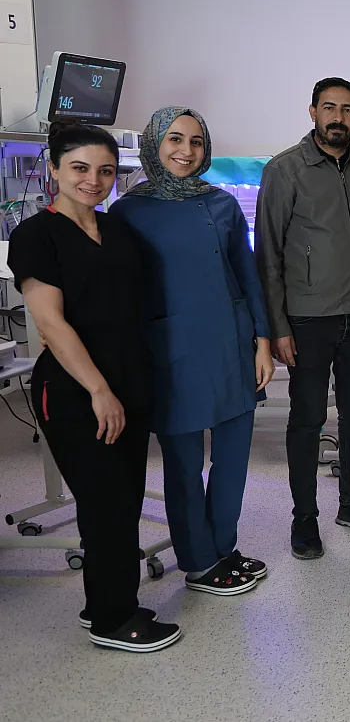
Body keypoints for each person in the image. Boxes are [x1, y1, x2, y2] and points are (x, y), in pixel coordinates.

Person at [11, 120, 181, 652]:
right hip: (75, 389)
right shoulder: (36, 236)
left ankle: (100, 603)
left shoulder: (118, 230)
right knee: (106, 502)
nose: (93, 180)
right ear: (54, 169)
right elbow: (51, 322)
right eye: (80, 168)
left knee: (122, 498)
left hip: (130, 378)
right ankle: (115, 619)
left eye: (105, 171)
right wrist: (98, 390)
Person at [113, 107, 273, 596]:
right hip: (171, 352)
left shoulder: (221, 203)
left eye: (197, 141)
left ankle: (222, 547)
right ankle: (199, 562)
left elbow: (247, 276)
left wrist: (262, 342)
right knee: (183, 465)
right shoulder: (128, 212)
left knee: (233, 459)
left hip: (231, 346)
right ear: (154, 144)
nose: (187, 151)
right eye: (175, 139)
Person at [256, 77, 350, 559]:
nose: (338, 117)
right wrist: (277, 327)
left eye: (348, 109)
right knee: (307, 420)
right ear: (312, 111)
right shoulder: (284, 170)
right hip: (308, 320)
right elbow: (268, 254)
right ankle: (305, 519)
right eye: (329, 107)